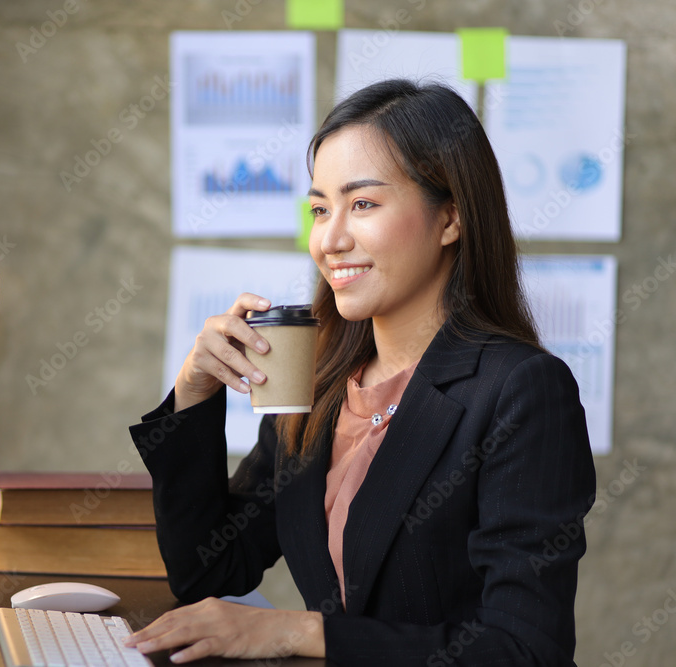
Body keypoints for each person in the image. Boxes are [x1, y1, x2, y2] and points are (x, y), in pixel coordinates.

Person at [125, 79, 596, 666]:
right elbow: (209, 569)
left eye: (363, 204)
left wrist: (301, 633)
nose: (331, 239)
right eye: (320, 209)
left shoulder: (521, 390)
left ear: (450, 218)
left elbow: (525, 649)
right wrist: (193, 396)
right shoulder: (318, 383)